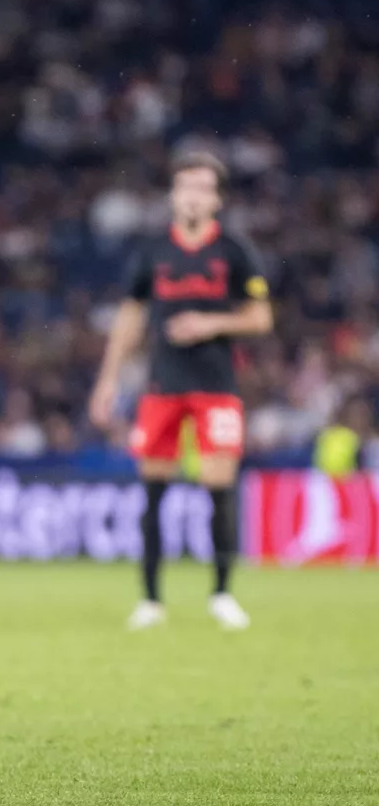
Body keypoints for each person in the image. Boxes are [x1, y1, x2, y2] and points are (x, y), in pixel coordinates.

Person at [89, 152, 273, 631]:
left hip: (216, 387)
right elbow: (130, 319)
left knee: (219, 488)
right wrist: (108, 380)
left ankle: (222, 594)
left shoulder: (234, 250)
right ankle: (151, 600)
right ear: (174, 195)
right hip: (161, 386)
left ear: (216, 198)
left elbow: (261, 317)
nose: (192, 195)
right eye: (185, 186)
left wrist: (211, 322)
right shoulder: (153, 251)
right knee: (154, 492)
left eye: (202, 187)